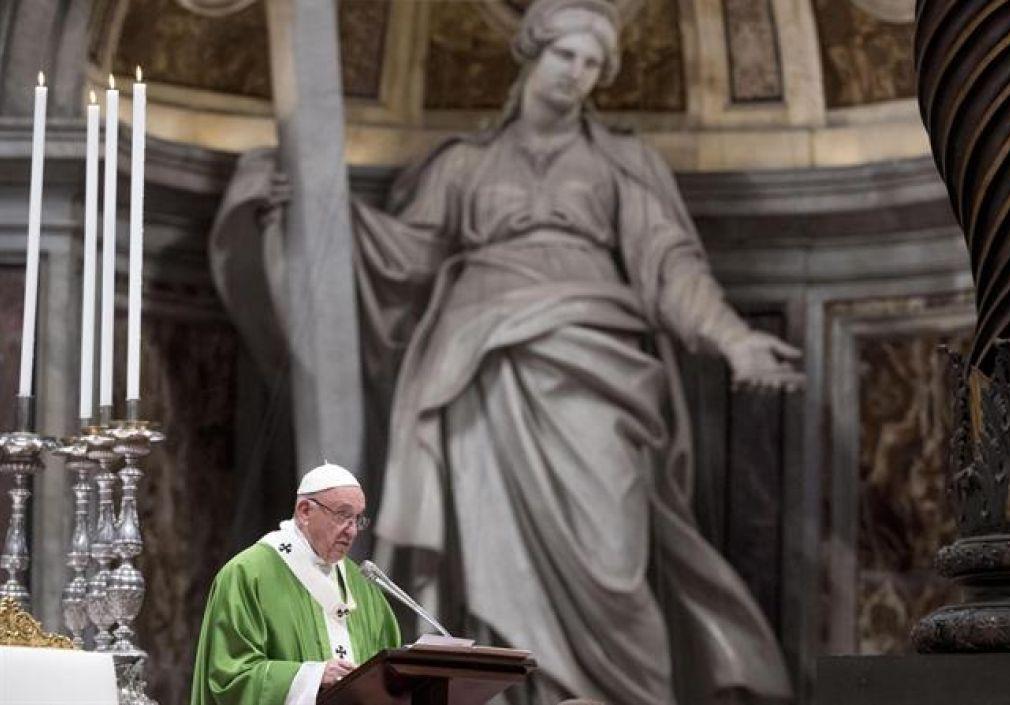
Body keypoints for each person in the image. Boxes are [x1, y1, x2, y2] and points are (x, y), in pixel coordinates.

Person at [210, 0, 798, 701]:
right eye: (565, 56)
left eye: (591, 63)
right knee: (488, 557)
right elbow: (401, 258)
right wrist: (304, 203)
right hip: (478, 369)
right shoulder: (466, 165)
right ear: (532, 55)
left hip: (594, 367)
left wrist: (734, 340)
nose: (576, 74)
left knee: (613, 564)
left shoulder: (622, 163)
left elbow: (672, 267)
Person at [189, 463, 401, 705]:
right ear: (304, 511)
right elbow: (230, 677)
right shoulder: (249, 574)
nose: (352, 531)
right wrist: (313, 677)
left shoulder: (362, 584)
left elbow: (391, 674)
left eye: (357, 519)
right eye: (343, 515)